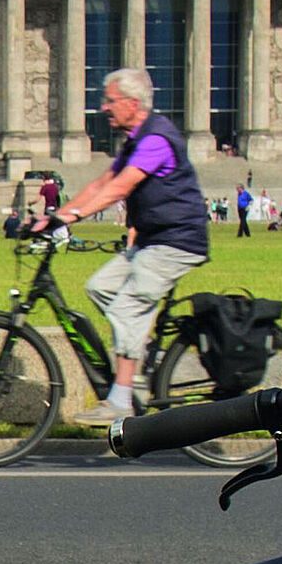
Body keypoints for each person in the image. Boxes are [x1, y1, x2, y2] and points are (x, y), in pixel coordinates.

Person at [28, 67, 208, 426]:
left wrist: (70, 218)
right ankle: (136, 363)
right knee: (100, 287)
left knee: (127, 309)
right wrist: (55, 216)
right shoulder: (135, 140)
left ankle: (121, 400)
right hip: (153, 240)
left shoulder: (156, 139)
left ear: (132, 103)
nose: (104, 107)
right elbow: (101, 183)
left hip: (176, 241)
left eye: (110, 100)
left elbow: (121, 188)